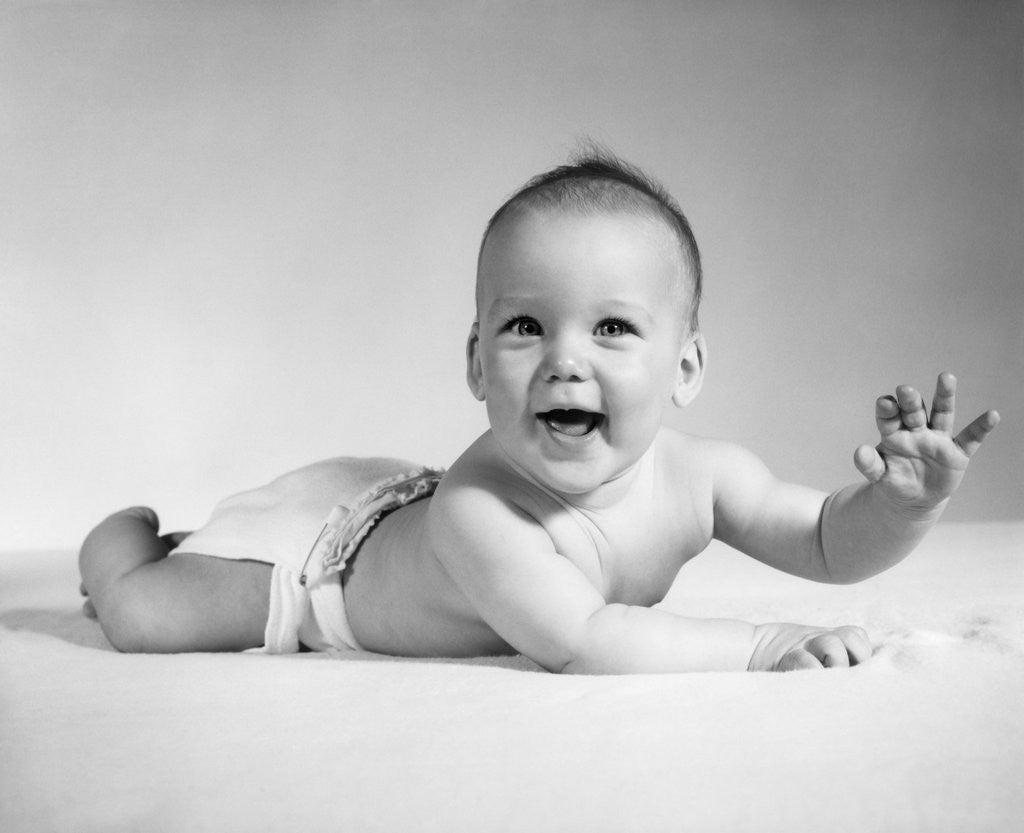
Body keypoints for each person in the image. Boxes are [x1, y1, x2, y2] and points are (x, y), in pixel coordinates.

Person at [78, 153, 1000, 672]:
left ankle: (194, 537)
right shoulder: (487, 511)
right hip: (324, 572)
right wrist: (766, 643)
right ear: (479, 364)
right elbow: (586, 637)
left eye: (610, 327)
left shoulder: (705, 473)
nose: (566, 358)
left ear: (685, 366)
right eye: (526, 325)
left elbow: (830, 542)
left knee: (209, 548)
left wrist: (899, 506)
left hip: (397, 521)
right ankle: (121, 546)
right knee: (148, 615)